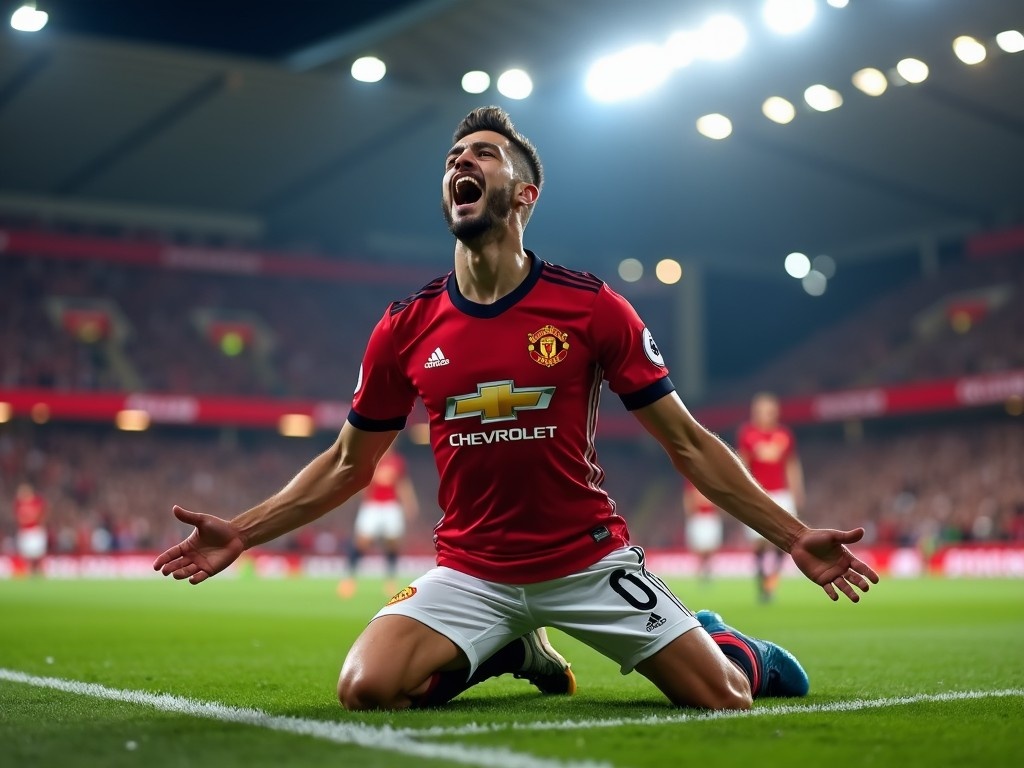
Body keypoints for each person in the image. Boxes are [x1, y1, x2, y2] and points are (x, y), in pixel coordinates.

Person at [154, 106, 879, 712]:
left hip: (585, 559)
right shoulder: (405, 326)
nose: (460, 164)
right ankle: (505, 648)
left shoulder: (591, 308)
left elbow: (688, 444)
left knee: (724, 699)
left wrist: (790, 536)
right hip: (471, 569)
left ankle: (727, 641)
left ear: (524, 195)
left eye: (483, 155)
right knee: (365, 689)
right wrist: (242, 533)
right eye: (453, 158)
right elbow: (350, 463)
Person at [736, 392, 806, 603]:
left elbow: (792, 465)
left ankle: (772, 580)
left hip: (781, 494)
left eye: (769, 410)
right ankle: (762, 579)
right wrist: (742, 491)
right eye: (760, 410)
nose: (764, 414)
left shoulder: (784, 435)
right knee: (758, 542)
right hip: (758, 494)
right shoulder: (747, 434)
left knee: (784, 541)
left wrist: (798, 490)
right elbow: (742, 463)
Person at [337, 443, 419, 598]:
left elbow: (403, 484)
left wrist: (409, 503)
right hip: (372, 505)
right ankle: (349, 579)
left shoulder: (397, 462)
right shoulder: (372, 460)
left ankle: (390, 580)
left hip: (391, 506)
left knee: (393, 543)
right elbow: (362, 482)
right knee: (361, 542)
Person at [683, 481, 723, 583]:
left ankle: (707, 570)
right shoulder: (691, 482)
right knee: (699, 548)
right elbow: (689, 498)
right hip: (698, 517)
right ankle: (702, 571)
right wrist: (690, 513)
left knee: (710, 547)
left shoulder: (712, 480)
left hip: (710, 517)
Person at [14, 482, 47, 576]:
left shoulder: (36, 501)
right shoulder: (18, 503)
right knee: (25, 555)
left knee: (38, 554)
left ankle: (40, 572)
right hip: (24, 531)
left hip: (35, 530)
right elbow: (18, 517)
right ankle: (28, 573)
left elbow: (41, 514)